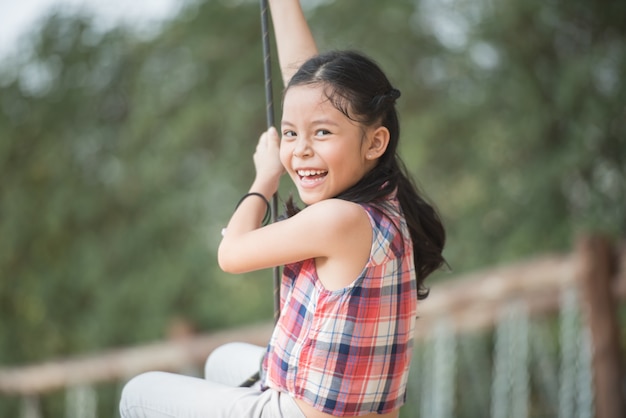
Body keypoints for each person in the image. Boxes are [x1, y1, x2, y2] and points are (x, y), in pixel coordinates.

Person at [119, 0, 445, 417]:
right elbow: (308, 83)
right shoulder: (387, 201)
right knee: (223, 358)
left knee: (139, 393)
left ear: (375, 142)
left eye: (322, 133)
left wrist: (265, 178)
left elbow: (231, 254)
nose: (302, 150)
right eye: (291, 133)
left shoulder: (337, 219)